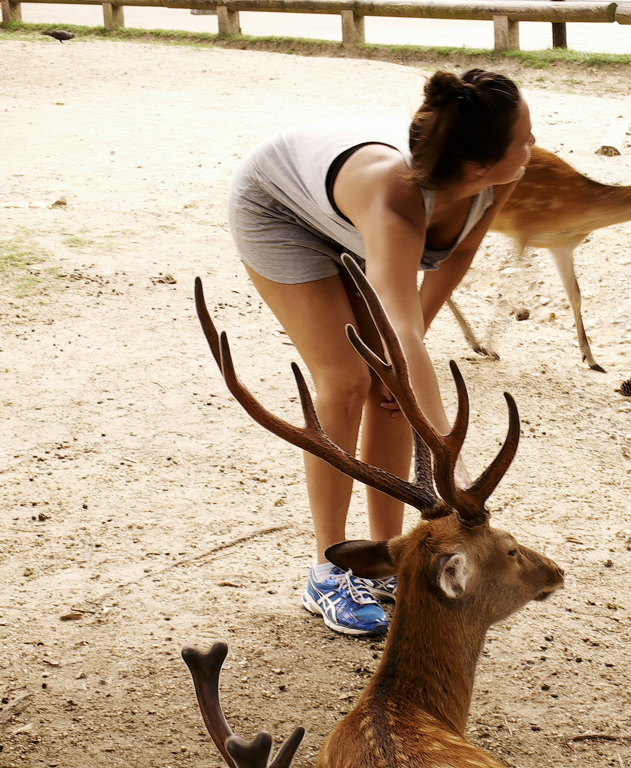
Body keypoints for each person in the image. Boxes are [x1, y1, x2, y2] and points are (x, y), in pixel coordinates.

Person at [228, 68, 534, 637]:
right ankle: (329, 570)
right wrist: (454, 468)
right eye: (524, 139)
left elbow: (455, 258)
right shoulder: (396, 202)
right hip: (281, 210)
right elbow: (401, 325)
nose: (533, 146)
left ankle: (389, 559)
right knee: (346, 382)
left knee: (393, 390)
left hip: (350, 218)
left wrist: (404, 376)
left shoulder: (501, 175)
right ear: (478, 165)